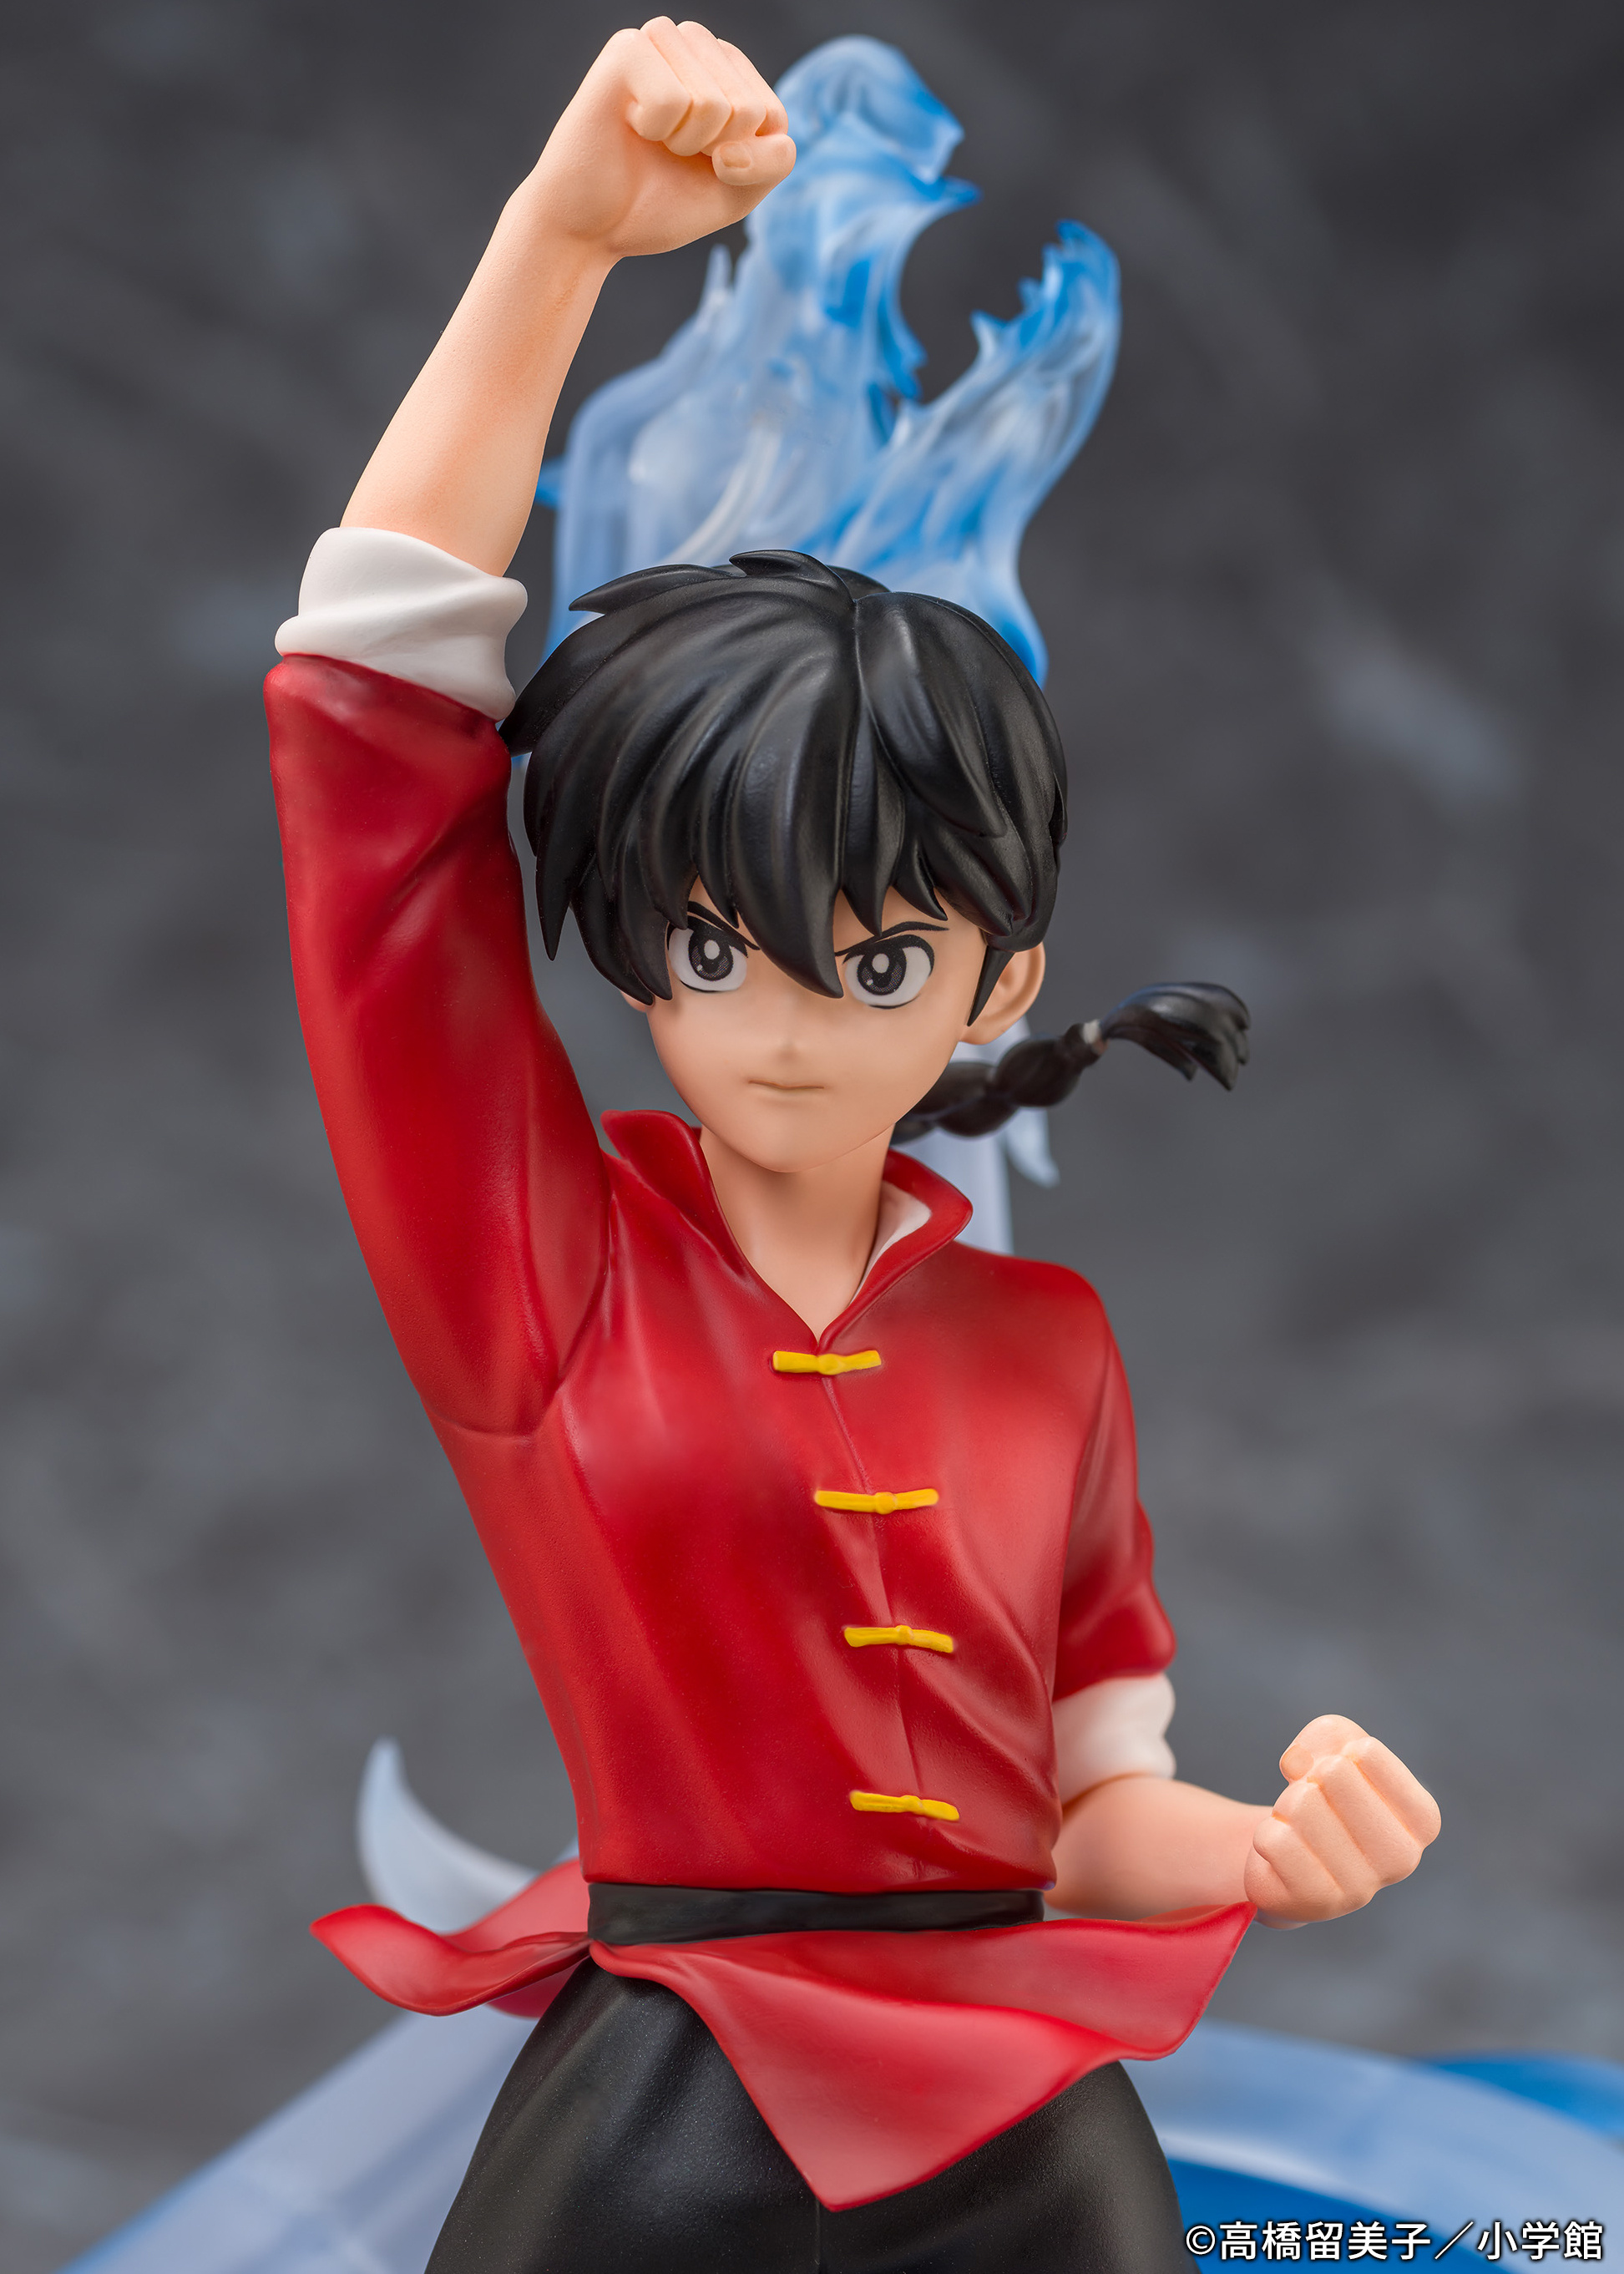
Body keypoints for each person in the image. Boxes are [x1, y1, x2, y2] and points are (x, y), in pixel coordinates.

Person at [266, 21, 1440, 2271]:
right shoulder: (548, 1265)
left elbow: (1088, 1816)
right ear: (639, 955)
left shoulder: (1048, 1343)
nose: (789, 1026)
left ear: (1001, 978)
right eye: (716, 949)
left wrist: (1270, 1849)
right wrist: (556, 244)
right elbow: (367, 742)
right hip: (663, 2116)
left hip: (1019, 2137)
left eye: (879, 958)